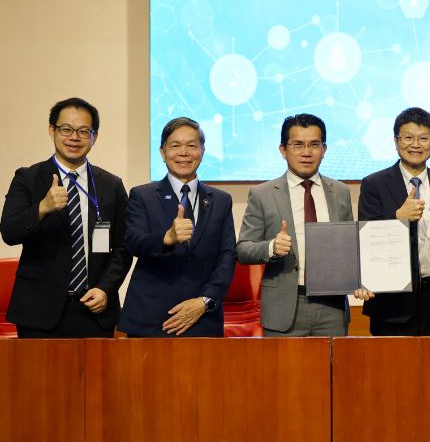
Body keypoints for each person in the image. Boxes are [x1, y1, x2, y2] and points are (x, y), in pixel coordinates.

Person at [0, 98, 132, 338]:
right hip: (38, 311)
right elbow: (9, 232)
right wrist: (41, 208)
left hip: (94, 308)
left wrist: (105, 288)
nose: (75, 137)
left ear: (94, 137)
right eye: (66, 129)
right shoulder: (28, 178)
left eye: (84, 131)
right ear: (52, 131)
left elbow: (123, 247)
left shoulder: (111, 185)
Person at [238, 114, 354, 336]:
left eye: (314, 145)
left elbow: (349, 246)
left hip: (332, 307)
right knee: (283, 372)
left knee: (331, 370)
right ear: (283, 150)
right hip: (284, 307)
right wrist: (271, 248)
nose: (306, 152)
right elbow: (243, 250)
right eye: (297, 145)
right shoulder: (263, 194)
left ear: (324, 149)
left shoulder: (340, 192)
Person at [118, 117, 236, 337]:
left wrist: (204, 302)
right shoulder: (142, 195)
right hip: (152, 317)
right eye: (175, 146)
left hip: (203, 318)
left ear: (202, 151)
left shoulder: (220, 200)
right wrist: (166, 238)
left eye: (191, 145)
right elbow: (133, 242)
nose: (184, 153)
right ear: (163, 153)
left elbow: (227, 256)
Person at [354, 107, 430, 335]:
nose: (416, 145)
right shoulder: (374, 184)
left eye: (424, 138)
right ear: (396, 142)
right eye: (408, 137)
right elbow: (367, 240)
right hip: (391, 300)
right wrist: (397, 219)